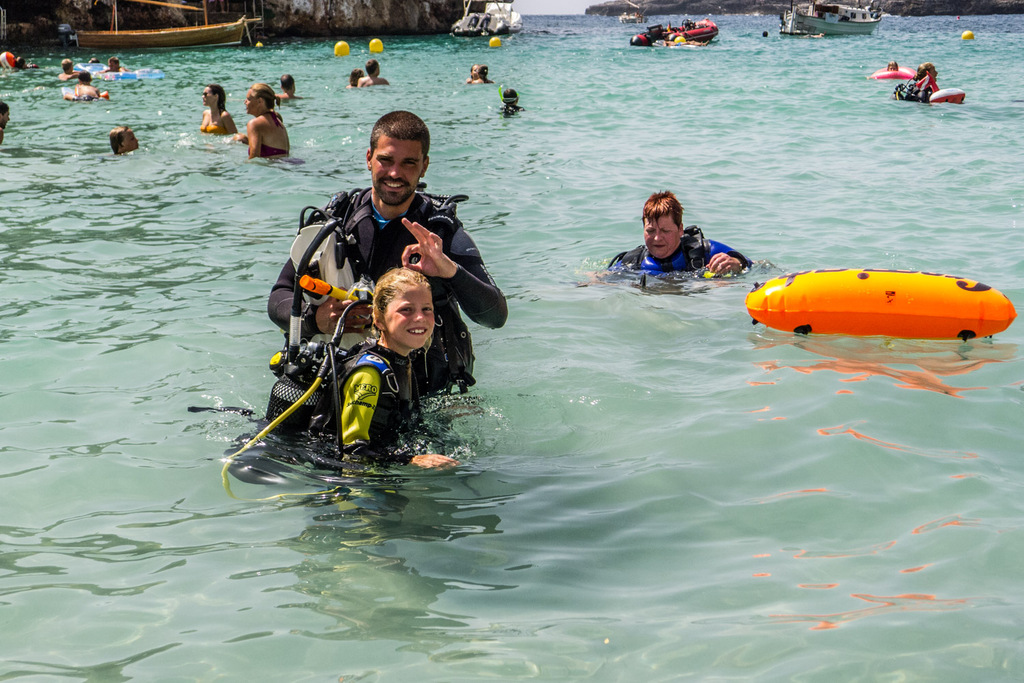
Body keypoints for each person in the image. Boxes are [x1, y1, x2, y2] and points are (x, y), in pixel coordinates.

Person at [268, 110, 508, 395]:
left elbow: (495, 317)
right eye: (385, 160)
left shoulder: (440, 232)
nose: (395, 173)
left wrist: (450, 272)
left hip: (424, 393)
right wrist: (316, 318)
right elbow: (279, 296)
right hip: (340, 381)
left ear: (424, 166)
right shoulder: (336, 221)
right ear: (369, 158)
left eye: (409, 163)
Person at [334, 268, 458, 468]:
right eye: (406, 309)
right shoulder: (369, 373)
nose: (420, 317)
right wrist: (411, 461)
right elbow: (351, 453)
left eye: (427, 309)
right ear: (378, 319)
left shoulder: (403, 360)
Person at [609, 191, 750, 276]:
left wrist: (737, 264)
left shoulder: (705, 251)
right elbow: (604, 280)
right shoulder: (633, 262)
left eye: (665, 231)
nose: (657, 238)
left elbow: (754, 266)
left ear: (680, 229)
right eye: (650, 231)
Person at [235, 82, 289, 158]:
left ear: (260, 101)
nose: (245, 102)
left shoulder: (254, 124)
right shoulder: (277, 121)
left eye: (249, 99)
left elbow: (254, 158)